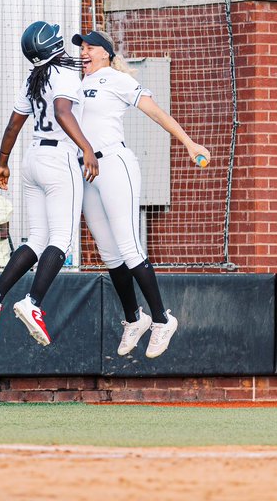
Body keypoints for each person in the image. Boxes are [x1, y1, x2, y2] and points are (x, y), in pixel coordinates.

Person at [73, 30, 210, 359]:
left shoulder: (114, 80)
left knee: (129, 245)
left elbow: (157, 112)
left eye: (90, 47)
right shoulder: (76, 85)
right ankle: (135, 318)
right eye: (81, 48)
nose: (84, 52)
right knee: (108, 252)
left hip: (115, 165)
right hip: (87, 171)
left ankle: (163, 319)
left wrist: (189, 144)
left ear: (105, 53)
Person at [0, 21, 99, 346]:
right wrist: (86, 148)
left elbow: (14, 125)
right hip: (59, 158)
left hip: (32, 158)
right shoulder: (65, 72)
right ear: (55, 45)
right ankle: (32, 302)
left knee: (38, 237)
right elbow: (62, 111)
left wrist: (2, 163)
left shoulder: (34, 77)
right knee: (62, 238)